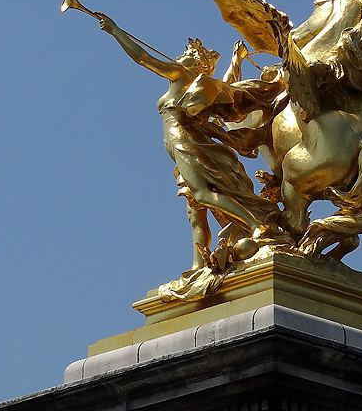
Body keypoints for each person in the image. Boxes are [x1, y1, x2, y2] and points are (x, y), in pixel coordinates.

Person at [96, 14, 286, 271]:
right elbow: (226, 88)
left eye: (186, 54)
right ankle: (198, 265)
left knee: (202, 195)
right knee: (195, 210)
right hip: (184, 146)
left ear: (197, 64)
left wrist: (115, 30)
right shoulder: (194, 85)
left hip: (185, 142)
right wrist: (236, 61)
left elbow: (143, 58)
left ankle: (255, 225)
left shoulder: (181, 74)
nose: (179, 57)